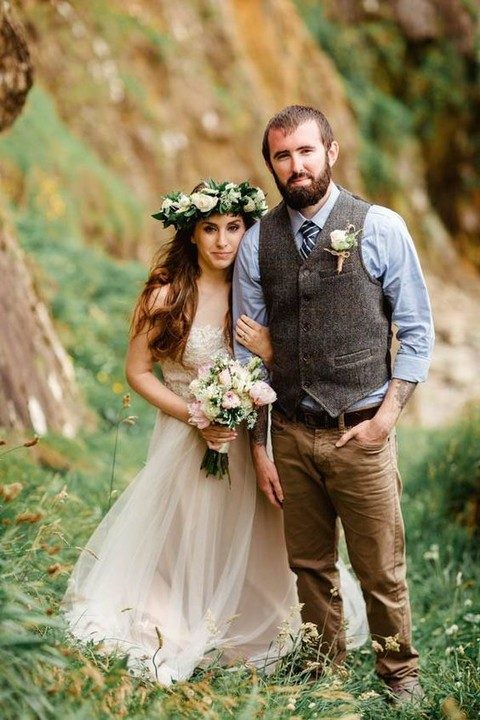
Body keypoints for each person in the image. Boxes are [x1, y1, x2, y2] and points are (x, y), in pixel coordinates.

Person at [62, 178, 367, 685]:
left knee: (254, 532)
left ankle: (252, 626)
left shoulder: (262, 293)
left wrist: (270, 353)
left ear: (250, 230)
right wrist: (195, 416)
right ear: (191, 235)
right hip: (187, 439)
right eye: (210, 229)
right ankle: (176, 621)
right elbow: (137, 372)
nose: (224, 241)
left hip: (252, 441)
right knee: (186, 531)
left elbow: (295, 368)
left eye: (234, 228)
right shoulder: (166, 294)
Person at [233, 105, 434, 703]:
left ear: (331, 152)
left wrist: (386, 420)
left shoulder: (381, 227)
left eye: (305, 152)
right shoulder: (256, 244)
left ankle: (400, 679)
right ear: (271, 163)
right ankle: (327, 679)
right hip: (291, 433)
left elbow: (417, 332)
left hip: (362, 430)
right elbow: (250, 360)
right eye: (281, 156)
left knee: (380, 571)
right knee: (311, 569)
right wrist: (261, 446)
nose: (295, 166)